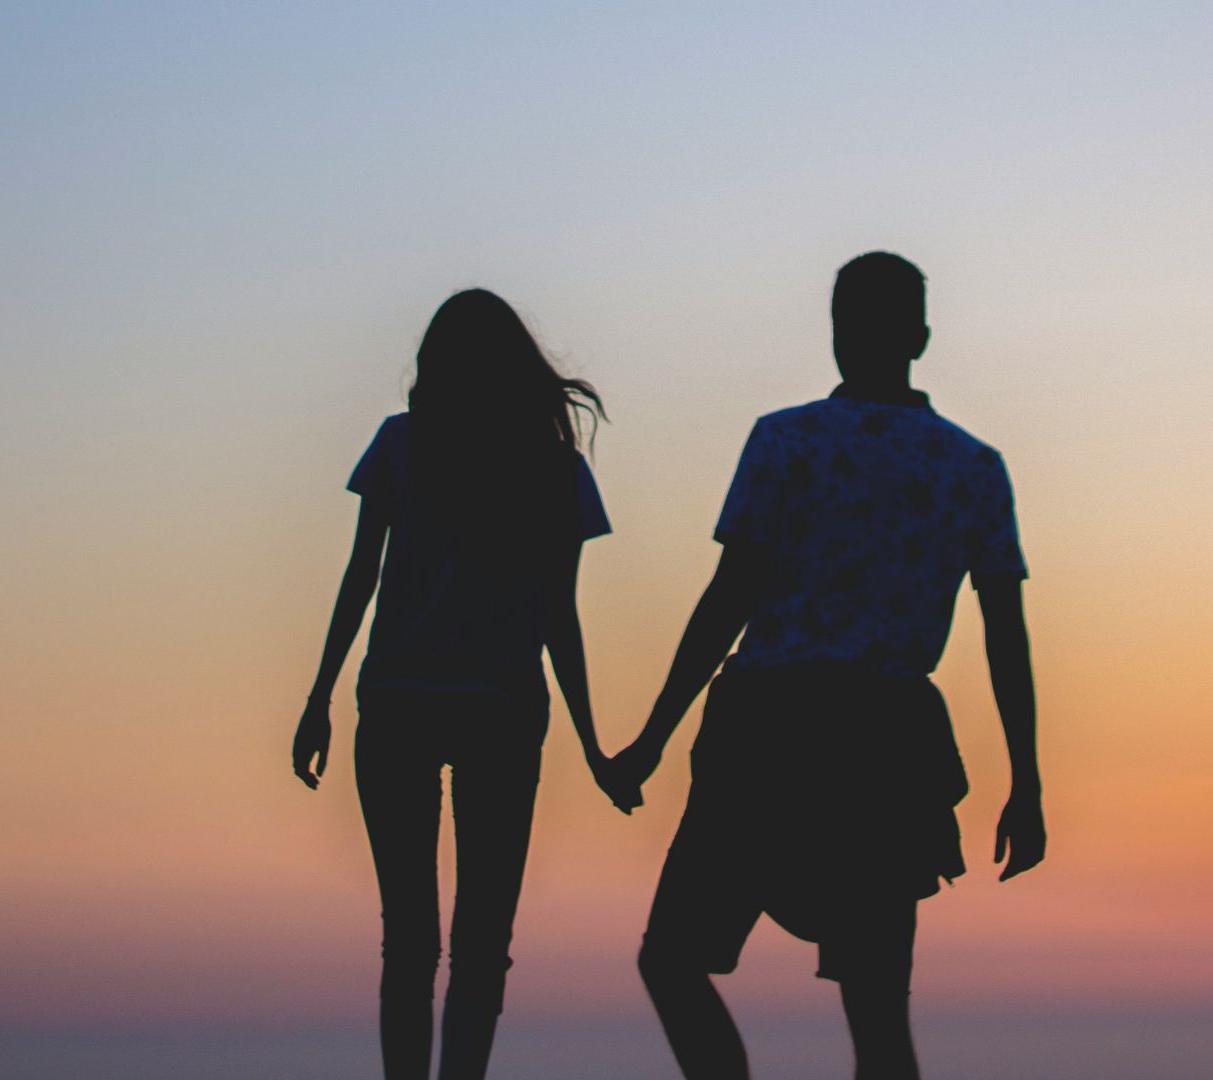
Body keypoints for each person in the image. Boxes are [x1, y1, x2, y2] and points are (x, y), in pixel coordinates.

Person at [609, 252, 1047, 1079]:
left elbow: (727, 600)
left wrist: (654, 737)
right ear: (918, 335)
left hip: (770, 730)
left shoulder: (786, 441)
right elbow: (1005, 640)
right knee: (878, 1014)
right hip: (885, 742)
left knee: (672, 961)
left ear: (844, 332)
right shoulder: (969, 466)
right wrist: (1026, 783)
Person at [290, 288, 627, 1080]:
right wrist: (592, 746)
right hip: (503, 715)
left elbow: (359, 579)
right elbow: (558, 619)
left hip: (399, 704)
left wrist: (318, 701)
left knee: (408, 939)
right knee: (481, 945)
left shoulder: (401, 445)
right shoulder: (553, 468)